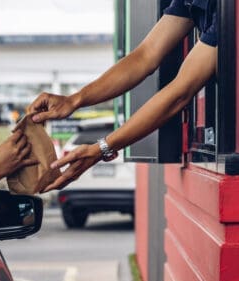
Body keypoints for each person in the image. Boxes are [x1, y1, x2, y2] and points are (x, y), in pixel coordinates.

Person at [27, 0, 218, 192]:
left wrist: (101, 148)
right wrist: (74, 100)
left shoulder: (231, 9)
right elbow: (145, 55)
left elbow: (181, 91)